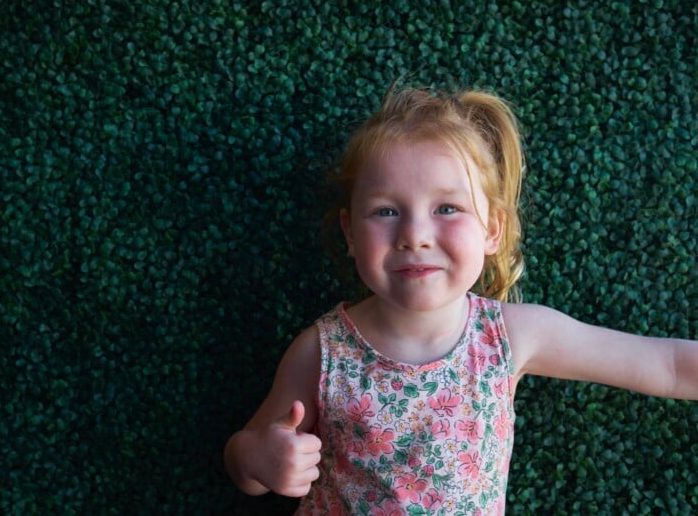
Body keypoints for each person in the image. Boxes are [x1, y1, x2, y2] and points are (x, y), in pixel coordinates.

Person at [224, 86, 698, 514]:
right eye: (386, 211)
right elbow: (242, 460)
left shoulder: (512, 336)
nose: (414, 235)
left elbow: (668, 366)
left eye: (447, 208)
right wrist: (259, 458)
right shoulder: (320, 351)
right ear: (350, 232)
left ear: (492, 228)